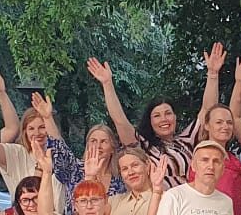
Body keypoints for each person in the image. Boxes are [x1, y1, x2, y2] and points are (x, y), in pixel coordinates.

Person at [89, 47, 227, 189]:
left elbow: (208, 111)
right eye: (157, 116)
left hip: (189, 200)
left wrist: (213, 74)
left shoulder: (187, 141)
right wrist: (107, 84)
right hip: (158, 200)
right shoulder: (143, 146)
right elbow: (120, 121)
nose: (164, 119)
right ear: (150, 121)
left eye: (168, 113)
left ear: (175, 117)